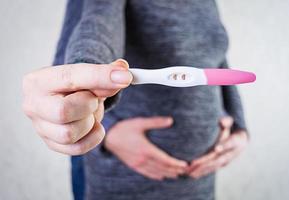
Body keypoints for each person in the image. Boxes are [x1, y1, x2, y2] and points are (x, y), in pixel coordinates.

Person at [23, 0, 249, 200]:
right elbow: (97, 29)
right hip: (126, 178)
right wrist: (108, 129)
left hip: (200, 180)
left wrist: (239, 126)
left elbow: (215, 58)